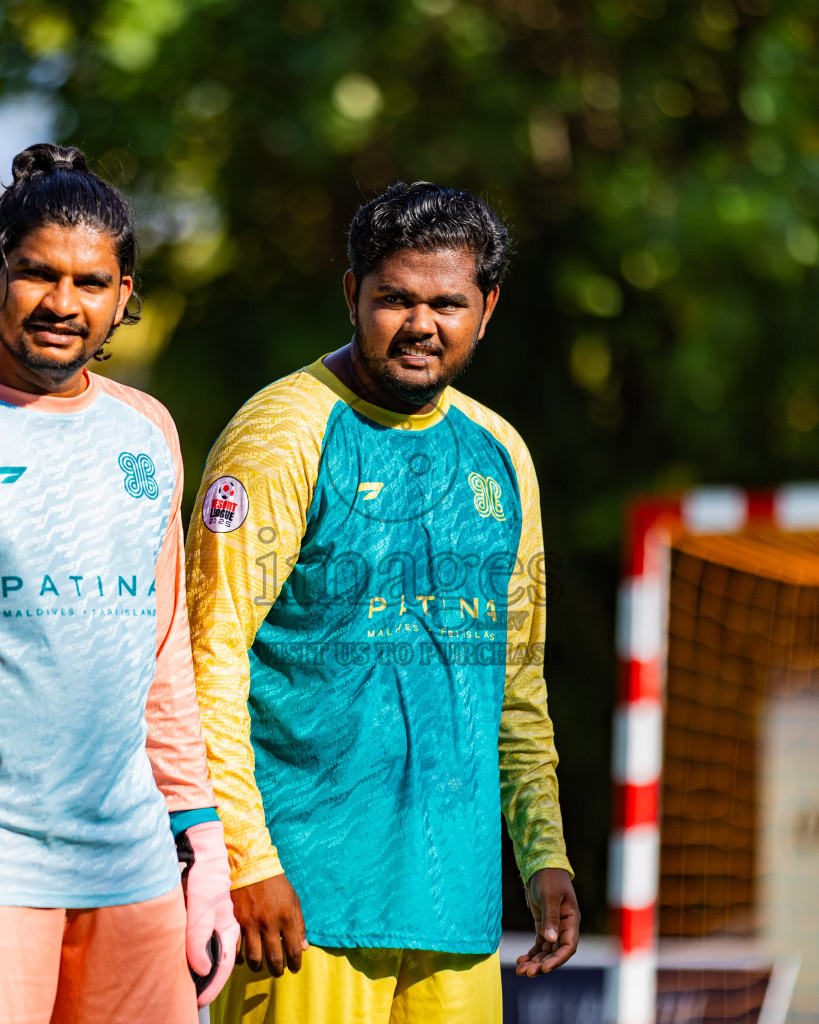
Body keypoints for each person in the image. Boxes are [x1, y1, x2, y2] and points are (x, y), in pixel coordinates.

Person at [186, 181, 579, 1024]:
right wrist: (246, 862)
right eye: (393, 298)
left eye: (447, 303)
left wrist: (542, 851)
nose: (420, 324)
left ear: (489, 307)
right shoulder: (281, 434)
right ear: (351, 295)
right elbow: (205, 661)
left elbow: (514, 678)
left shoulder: (500, 453)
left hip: (456, 908)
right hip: (302, 906)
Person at [0, 143, 239, 1024]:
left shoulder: (145, 430)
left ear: (123, 299)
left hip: (131, 863)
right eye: (36, 274)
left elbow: (162, 653)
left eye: (90, 283)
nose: (63, 304)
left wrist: (201, 845)